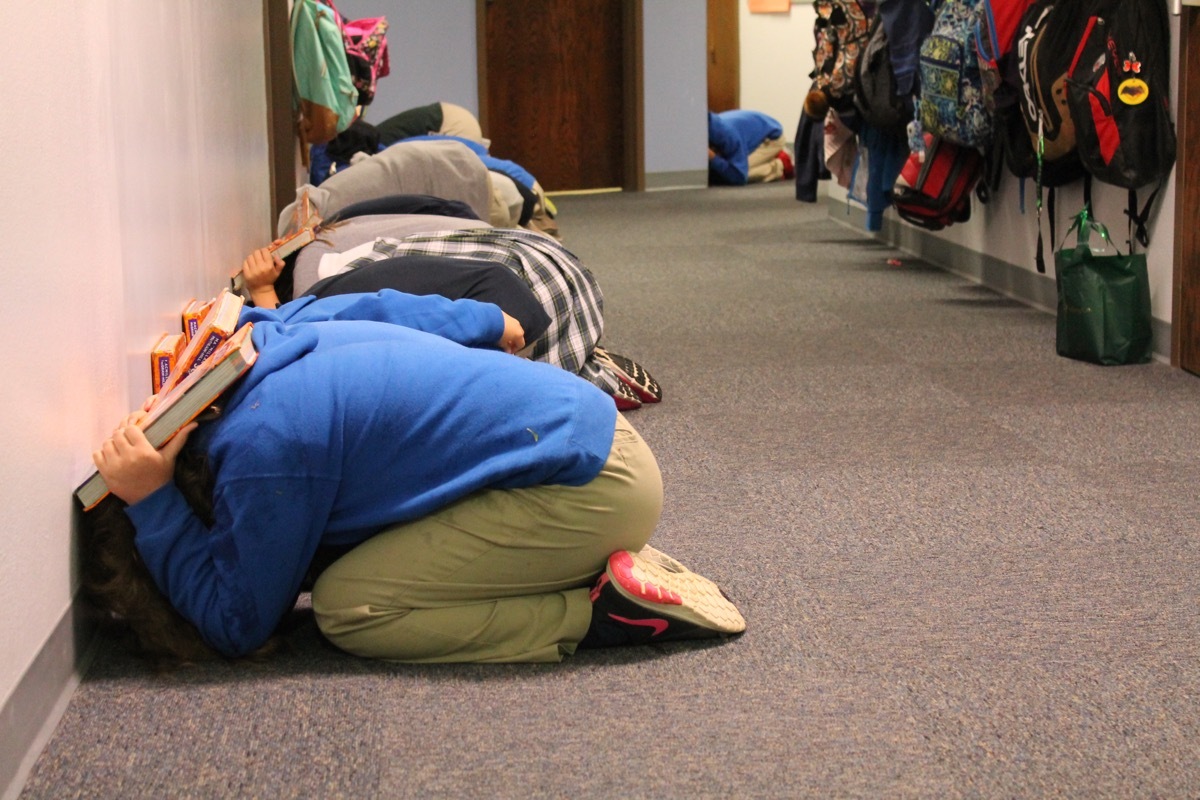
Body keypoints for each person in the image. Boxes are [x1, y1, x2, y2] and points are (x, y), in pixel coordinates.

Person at [84, 290, 745, 664]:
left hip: (592, 490)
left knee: (352, 607)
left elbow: (237, 623)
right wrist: (484, 319)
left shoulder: (265, 459)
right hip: (589, 439)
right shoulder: (260, 347)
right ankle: (591, 561)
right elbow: (385, 308)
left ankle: (597, 613)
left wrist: (153, 505)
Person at [707, 109, 793, 186]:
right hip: (751, 135)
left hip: (771, 139)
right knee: (723, 170)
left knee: (741, 174)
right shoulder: (709, 126)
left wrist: (713, 157)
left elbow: (739, 177)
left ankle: (780, 165)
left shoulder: (726, 135)